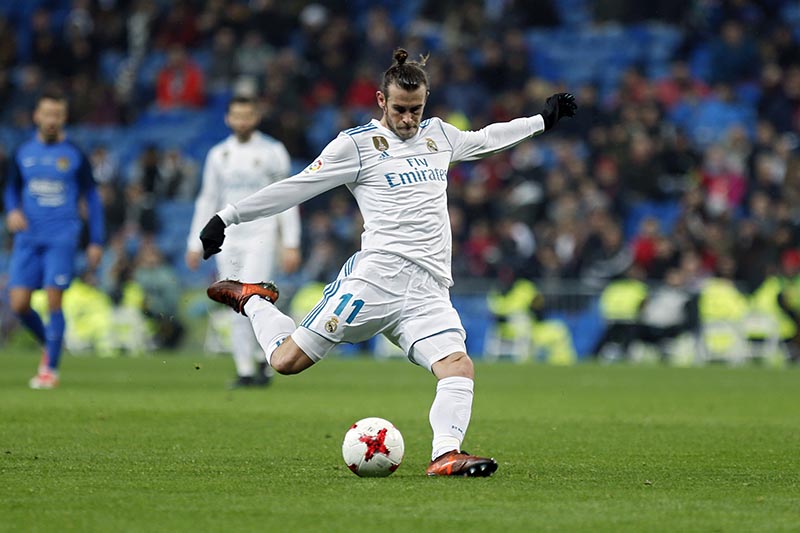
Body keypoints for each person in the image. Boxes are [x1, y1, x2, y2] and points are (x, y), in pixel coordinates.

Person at [199, 49, 576, 476]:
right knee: (285, 363)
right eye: (399, 109)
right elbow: (296, 187)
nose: (408, 120)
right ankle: (253, 300)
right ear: (381, 100)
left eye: (416, 110)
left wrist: (542, 121)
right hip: (374, 281)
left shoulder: (440, 136)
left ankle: (445, 454)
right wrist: (226, 216)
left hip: (430, 288)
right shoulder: (355, 145)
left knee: (457, 365)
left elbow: (488, 139)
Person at [186, 95, 301, 388]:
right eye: (236, 116)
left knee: (254, 296)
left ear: (256, 117)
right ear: (228, 118)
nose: (242, 121)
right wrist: (194, 242)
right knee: (234, 299)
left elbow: (287, 197)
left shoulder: (273, 151)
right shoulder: (218, 155)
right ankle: (247, 367)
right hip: (229, 238)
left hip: (261, 234)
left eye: (247, 115)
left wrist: (291, 241)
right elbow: (207, 198)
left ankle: (263, 358)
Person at [3, 90, 105, 389]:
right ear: (36, 115)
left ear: (64, 118)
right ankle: (51, 343)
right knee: (19, 304)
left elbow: (92, 198)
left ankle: (50, 369)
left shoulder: (74, 154)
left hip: (62, 236)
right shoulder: (23, 152)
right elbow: (11, 189)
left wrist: (95, 240)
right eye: (47, 114)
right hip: (27, 238)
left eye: (57, 115)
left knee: (53, 299)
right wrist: (12, 211)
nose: (51, 120)